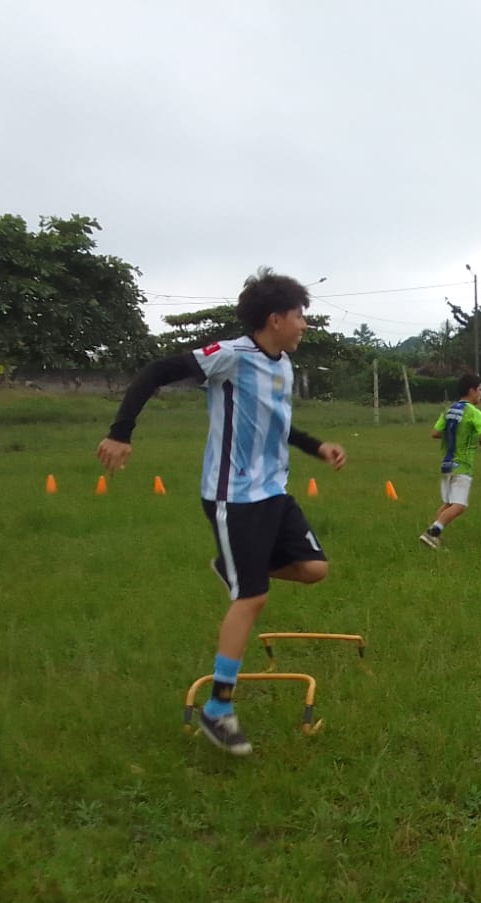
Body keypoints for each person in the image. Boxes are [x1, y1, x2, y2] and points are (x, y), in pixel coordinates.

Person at [96, 268, 347, 755]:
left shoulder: (283, 365)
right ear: (275, 319)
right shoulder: (230, 356)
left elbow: (278, 425)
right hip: (234, 496)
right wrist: (120, 432)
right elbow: (155, 371)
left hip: (274, 491)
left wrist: (317, 447)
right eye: (300, 316)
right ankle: (218, 708)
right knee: (252, 597)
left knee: (314, 569)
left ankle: (230, 567)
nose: (304, 325)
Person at [419, 374, 481, 549]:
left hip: (446, 464)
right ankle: (432, 533)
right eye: (480, 390)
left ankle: (434, 535)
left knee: (448, 504)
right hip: (462, 466)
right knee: (459, 505)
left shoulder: (449, 410)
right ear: (471, 390)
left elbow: (435, 433)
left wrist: (455, 435)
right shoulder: (474, 413)